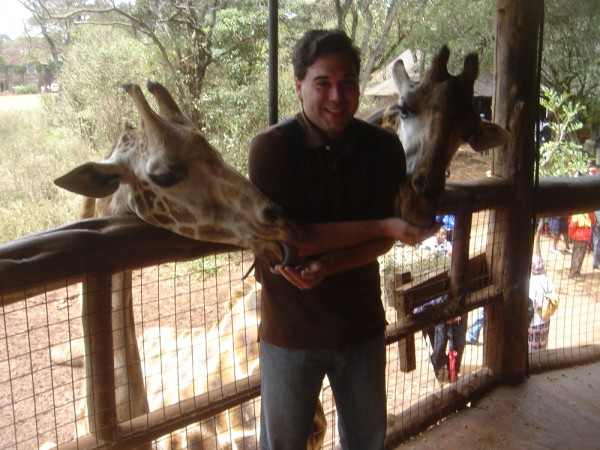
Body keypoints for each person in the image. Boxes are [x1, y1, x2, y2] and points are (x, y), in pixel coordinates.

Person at [248, 29, 437, 449]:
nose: (338, 95)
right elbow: (291, 240)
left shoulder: (384, 150)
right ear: (299, 88)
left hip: (361, 328)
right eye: (323, 83)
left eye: (348, 81)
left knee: (367, 442)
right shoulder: (271, 150)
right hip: (290, 333)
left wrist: (332, 263)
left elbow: (385, 239)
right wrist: (384, 226)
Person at [528, 255, 557, 350]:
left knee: (532, 349)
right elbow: (554, 298)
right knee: (542, 347)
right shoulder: (548, 281)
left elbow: (531, 302)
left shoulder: (530, 282)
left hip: (533, 321)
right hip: (545, 319)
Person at [568, 212, 596, 278]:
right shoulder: (577, 214)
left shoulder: (588, 214)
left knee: (578, 255)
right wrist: (571, 234)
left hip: (582, 236)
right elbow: (573, 225)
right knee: (578, 255)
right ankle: (574, 273)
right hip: (580, 236)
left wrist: (571, 235)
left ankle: (575, 271)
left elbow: (593, 220)